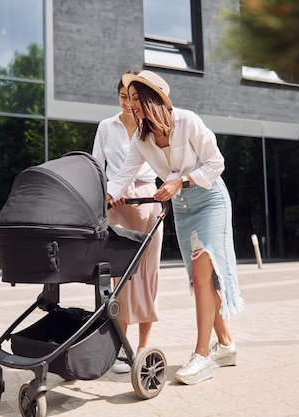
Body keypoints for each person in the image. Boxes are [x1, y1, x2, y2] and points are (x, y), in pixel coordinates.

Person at [106, 70, 244, 385]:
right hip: (182, 208)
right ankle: (225, 345)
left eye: (138, 101)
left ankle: (201, 357)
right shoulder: (141, 139)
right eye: (130, 101)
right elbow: (120, 178)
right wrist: (103, 198)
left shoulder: (188, 121)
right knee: (201, 282)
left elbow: (216, 162)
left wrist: (180, 179)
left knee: (201, 273)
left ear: (154, 100)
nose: (132, 107)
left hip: (210, 202)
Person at [92, 70, 164, 373]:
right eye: (123, 96)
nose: (127, 102)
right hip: (116, 206)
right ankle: (122, 348)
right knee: (120, 279)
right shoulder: (106, 127)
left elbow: (165, 165)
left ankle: (143, 349)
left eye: (132, 97)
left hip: (148, 201)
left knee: (147, 275)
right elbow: (97, 166)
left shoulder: (152, 127)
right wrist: (110, 192)